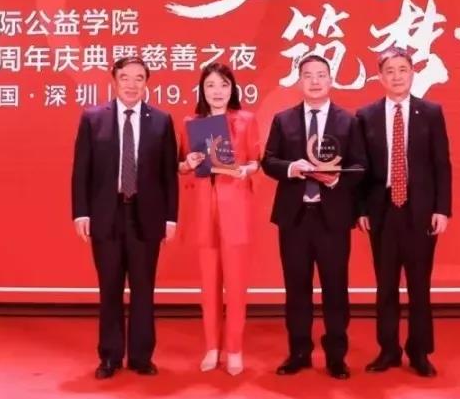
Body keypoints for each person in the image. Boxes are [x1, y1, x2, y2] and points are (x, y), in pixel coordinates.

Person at [71, 56, 178, 379]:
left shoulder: (161, 121)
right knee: (110, 288)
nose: (132, 85)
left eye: (139, 78)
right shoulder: (93, 118)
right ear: (114, 81)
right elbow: (81, 171)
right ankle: (110, 356)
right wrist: (81, 212)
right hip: (107, 214)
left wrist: (170, 218)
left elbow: (168, 175)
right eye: (125, 78)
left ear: (147, 83)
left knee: (144, 289)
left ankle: (142, 357)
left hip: (146, 216)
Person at [261, 54, 367, 380]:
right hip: (294, 218)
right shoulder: (284, 120)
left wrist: (335, 180)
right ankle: (299, 352)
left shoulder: (348, 121)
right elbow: (268, 161)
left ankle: (336, 356)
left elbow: (360, 166)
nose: (315, 81)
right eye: (309, 75)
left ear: (331, 80)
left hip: (332, 217)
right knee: (297, 288)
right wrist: (291, 168)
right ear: (300, 81)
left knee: (336, 288)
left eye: (321, 75)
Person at [356, 47, 452, 377]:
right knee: (385, 286)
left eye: (402, 69)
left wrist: (442, 209)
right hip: (382, 210)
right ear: (380, 77)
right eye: (390, 71)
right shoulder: (366, 116)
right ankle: (388, 350)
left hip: (420, 210)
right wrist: (361, 209)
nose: (396, 76)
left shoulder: (431, 112)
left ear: (412, 73)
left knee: (419, 286)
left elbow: (442, 164)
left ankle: (419, 351)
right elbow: (361, 168)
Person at [176, 63, 261, 376]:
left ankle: (235, 348)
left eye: (224, 85)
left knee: (236, 283)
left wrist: (245, 170)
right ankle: (212, 347)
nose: (217, 91)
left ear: (232, 89)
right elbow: (182, 165)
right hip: (203, 208)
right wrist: (188, 162)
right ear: (202, 89)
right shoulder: (190, 123)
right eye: (210, 85)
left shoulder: (246, 120)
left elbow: (256, 161)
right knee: (208, 283)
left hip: (235, 207)